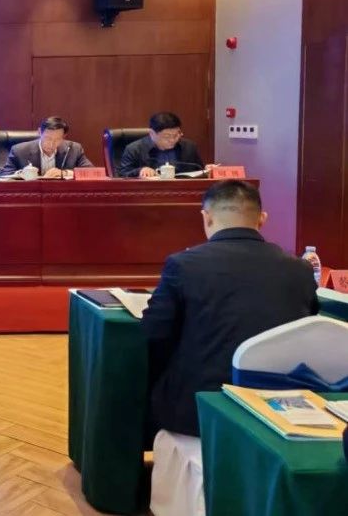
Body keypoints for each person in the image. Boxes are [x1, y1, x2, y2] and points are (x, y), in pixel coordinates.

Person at [141, 181, 317, 513]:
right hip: (278, 407)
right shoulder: (300, 269)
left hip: (200, 410)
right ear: (261, 219)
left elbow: (152, 334)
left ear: (206, 218)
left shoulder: (184, 265)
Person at [118, 112, 210, 178]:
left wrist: (208, 170)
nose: (172, 140)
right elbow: (121, 174)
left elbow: (199, 170)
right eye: (167, 136)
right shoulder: (135, 149)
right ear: (152, 133)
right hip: (148, 193)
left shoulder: (189, 147)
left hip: (182, 192)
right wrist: (140, 171)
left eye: (176, 135)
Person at [0, 116, 94, 178]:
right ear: (39, 132)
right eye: (48, 138)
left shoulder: (74, 149)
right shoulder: (19, 151)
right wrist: (22, 174)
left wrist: (64, 173)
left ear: (64, 137)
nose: (52, 144)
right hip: (30, 197)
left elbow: (92, 173)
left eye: (57, 139)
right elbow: (3, 176)